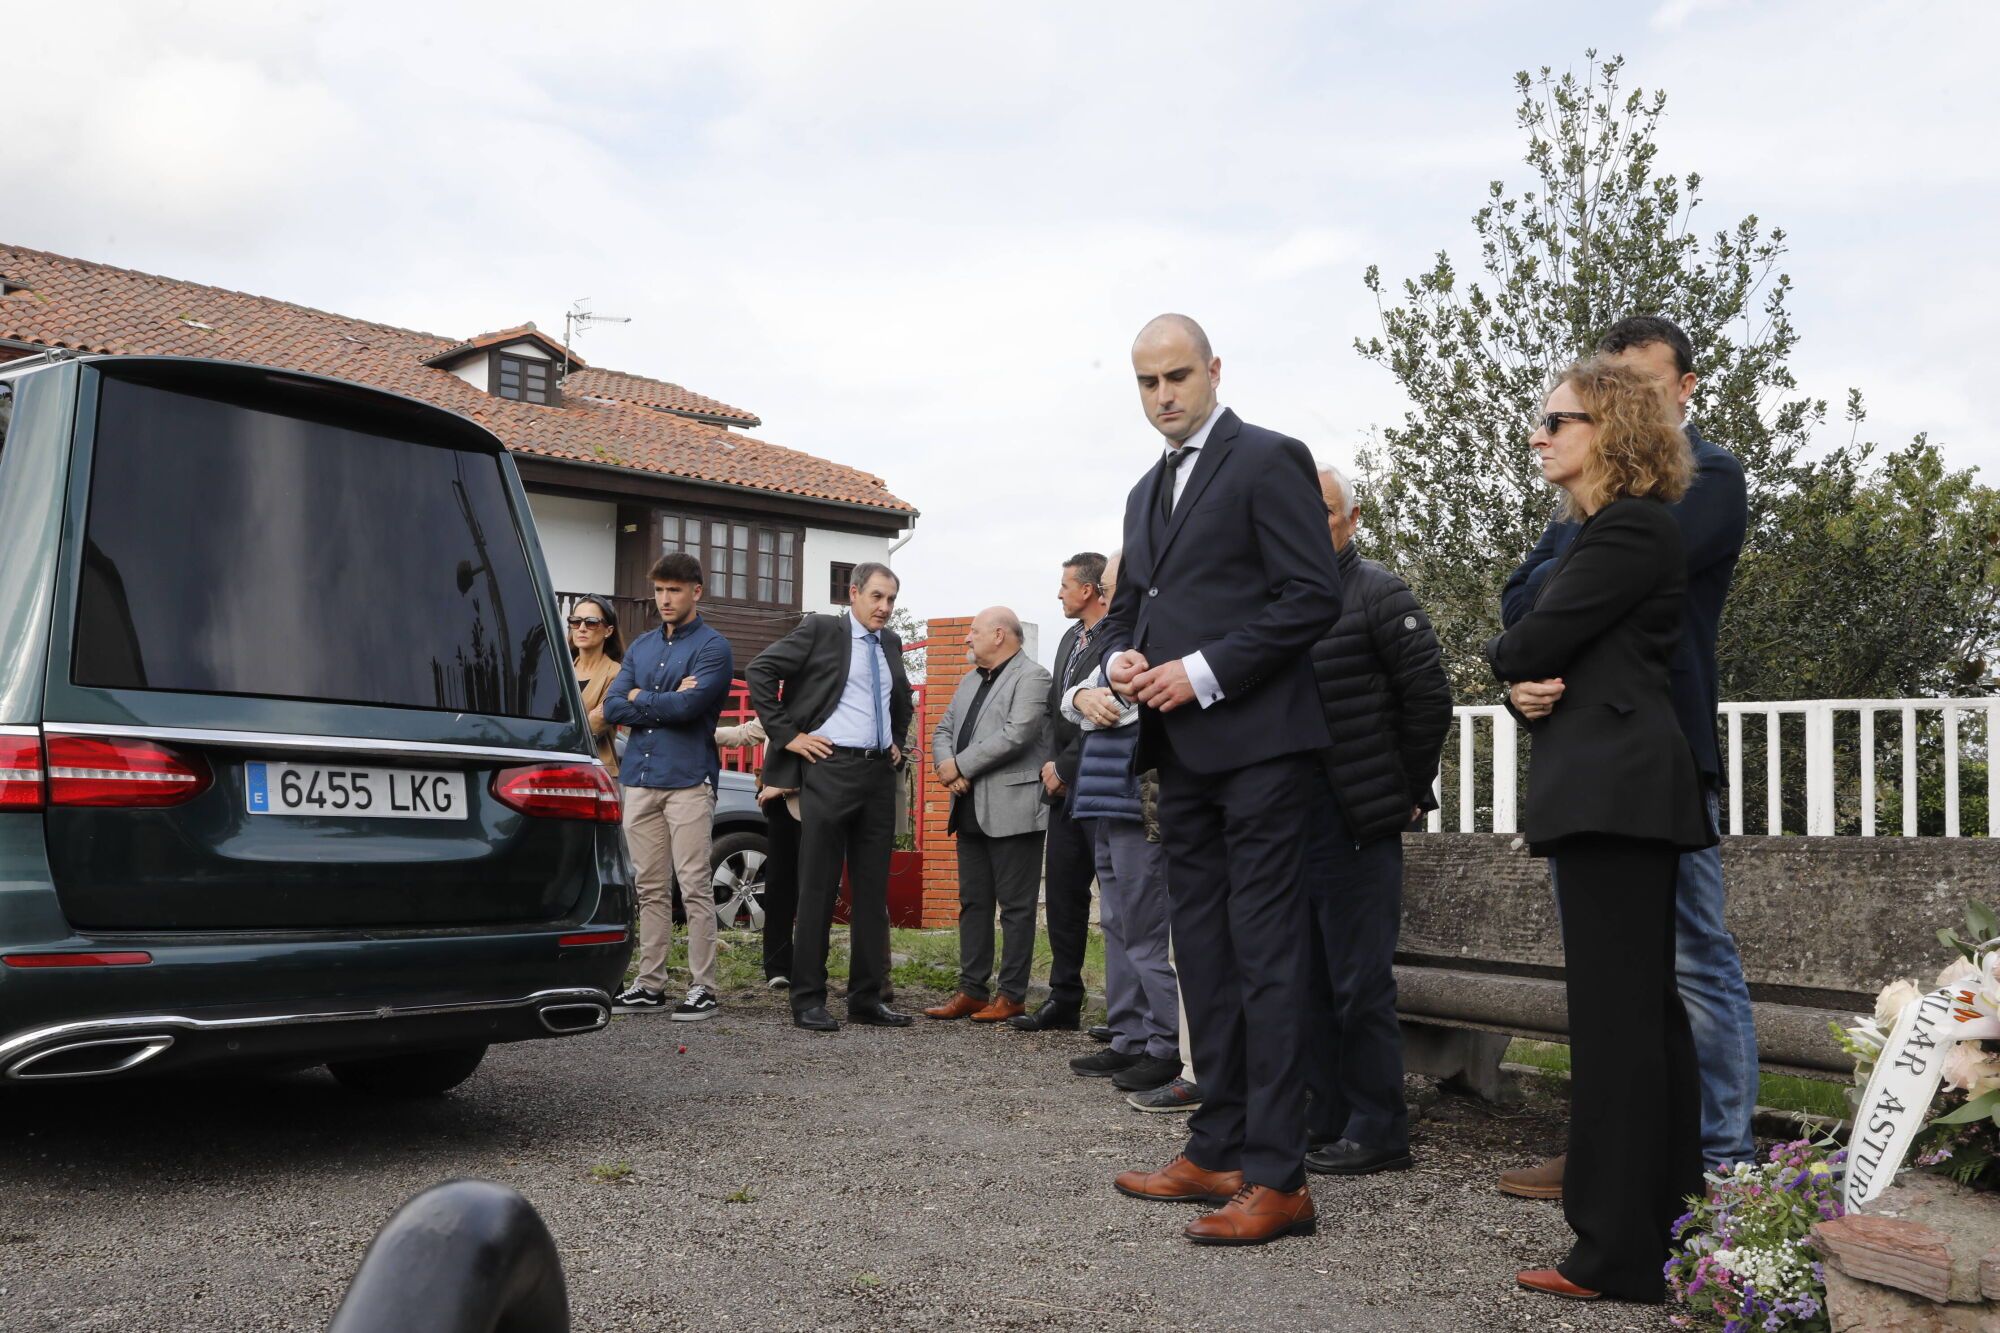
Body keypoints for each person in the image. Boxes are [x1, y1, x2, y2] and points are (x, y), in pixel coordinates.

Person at [1496, 314, 1754, 1195]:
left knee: (1689, 960)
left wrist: (1547, 611)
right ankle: (1619, 1150)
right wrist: (1534, 642)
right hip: (1593, 747)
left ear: (1678, 392)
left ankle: (1719, 1158)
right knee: (1613, 976)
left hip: (1659, 753)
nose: (1629, 404)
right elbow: (1519, 595)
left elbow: (1572, 593)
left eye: (1640, 388)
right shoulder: (1591, 512)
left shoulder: (1707, 476)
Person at [1099, 314, 1342, 1247]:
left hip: (1264, 751)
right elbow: (1128, 613)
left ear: (1212, 370)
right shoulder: (1141, 492)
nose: (1164, 394)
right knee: (1201, 952)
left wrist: (1199, 670)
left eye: (1177, 376)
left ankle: (1281, 1178)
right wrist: (1118, 666)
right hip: (1179, 756)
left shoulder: (1270, 458)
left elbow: (1310, 597)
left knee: (1267, 956)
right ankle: (1219, 1146)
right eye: (1147, 381)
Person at [1487, 357, 1712, 1303]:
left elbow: (1522, 638)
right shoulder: (1600, 531)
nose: (1539, 435)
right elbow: (1534, 657)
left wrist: (1519, 666)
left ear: (1610, 431)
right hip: (1611, 791)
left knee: (1620, 1026)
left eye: (1557, 420)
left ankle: (1617, 1252)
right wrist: (1524, 686)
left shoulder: (1626, 528)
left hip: (1617, 795)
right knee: (1640, 1020)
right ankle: (1664, 1231)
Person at [1300, 466, 1452, 1177]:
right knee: (1306, 976)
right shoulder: (1279, 599)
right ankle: (1323, 1115)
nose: (1312, 521)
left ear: (1352, 518)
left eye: (1325, 511)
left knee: (1360, 980)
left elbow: (1429, 698)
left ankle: (1380, 1128)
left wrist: (1403, 786)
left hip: (1360, 817)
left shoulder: (1380, 592)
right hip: (1293, 818)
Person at [746, 563, 915, 1033]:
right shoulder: (822, 629)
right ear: (854, 594)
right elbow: (761, 671)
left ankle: (866, 999)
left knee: (870, 892)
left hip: (879, 774)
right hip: (829, 768)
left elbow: (901, 699)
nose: (884, 608)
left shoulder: (892, 643)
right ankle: (807, 998)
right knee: (818, 886)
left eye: (891, 600)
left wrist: (898, 738)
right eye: (877, 597)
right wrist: (789, 736)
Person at [1062, 552, 1184, 1096]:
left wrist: (1099, 694)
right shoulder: (1114, 639)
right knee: (1114, 922)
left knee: (1144, 927)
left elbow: (1137, 700)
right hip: (1104, 800)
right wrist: (1084, 694)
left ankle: (1165, 1046)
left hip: (1140, 799)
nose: (1107, 599)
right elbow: (1071, 699)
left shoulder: (1161, 632)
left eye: (1112, 588)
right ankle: (1128, 1036)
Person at [603, 556, 734, 1020]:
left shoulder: (714, 648)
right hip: (639, 778)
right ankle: (650, 983)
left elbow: (690, 708)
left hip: (688, 781)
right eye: (659, 590)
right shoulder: (639, 646)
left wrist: (645, 697)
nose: (664, 599)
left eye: (674, 590)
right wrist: (658, 697)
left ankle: (703, 987)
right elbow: (615, 706)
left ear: (696, 591)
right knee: (651, 888)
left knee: (695, 886)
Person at [923, 609, 1052, 1024]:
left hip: (1014, 808)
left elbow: (1018, 733)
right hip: (969, 807)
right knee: (972, 903)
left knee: (1015, 908)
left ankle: (1012, 995)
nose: (966, 640)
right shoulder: (968, 680)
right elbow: (942, 729)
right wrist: (949, 767)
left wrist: (960, 766)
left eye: (973, 633)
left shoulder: (1033, 677)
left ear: (999, 635)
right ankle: (971, 991)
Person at [1010, 553, 1114, 1034]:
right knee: (1066, 899)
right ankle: (1064, 998)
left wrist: (1067, 767)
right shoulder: (1071, 639)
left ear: (1091, 589)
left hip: (1103, 784)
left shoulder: (1119, 636)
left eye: (1066, 585)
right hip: (1062, 790)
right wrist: (1051, 765)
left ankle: (1125, 1013)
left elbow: (1108, 711)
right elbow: (1057, 711)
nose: (1059, 594)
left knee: (1115, 904)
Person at [716, 713, 796, 991]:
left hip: (817, 799)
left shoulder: (831, 695)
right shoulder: (779, 701)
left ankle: (810, 968)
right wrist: (701, 731)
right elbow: (748, 732)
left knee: (814, 889)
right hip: (781, 805)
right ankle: (778, 967)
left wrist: (790, 783)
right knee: (779, 886)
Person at [568, 596, 624, 778]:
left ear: (608, 631)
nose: (582, 628)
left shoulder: (617, 673)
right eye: (575, 622)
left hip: (596, 774)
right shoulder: (560, 669)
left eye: (591, 622)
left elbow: (597, 722)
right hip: (555, 767)